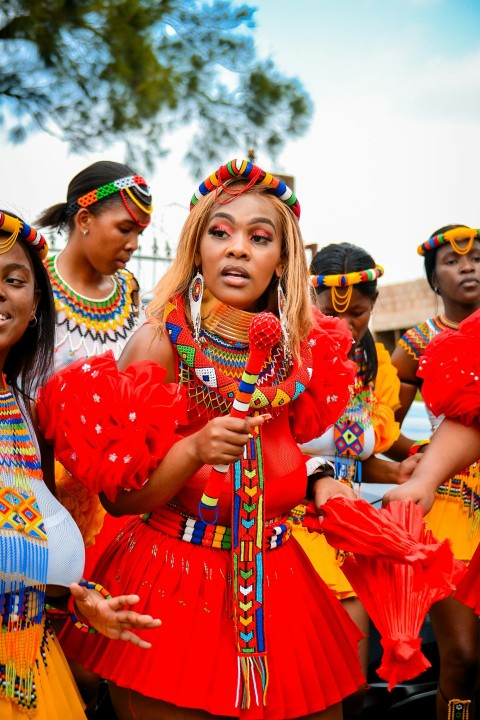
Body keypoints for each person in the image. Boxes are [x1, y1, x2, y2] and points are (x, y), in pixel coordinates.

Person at [59, 158, 366, 720]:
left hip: (281, 585)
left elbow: (285, 458)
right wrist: (193, 449)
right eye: (220, 233)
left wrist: (322, 482)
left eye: (260, 237)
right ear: (197, 248)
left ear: (283, 260)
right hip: (170, 586)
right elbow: (119, 498)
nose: (238, 249)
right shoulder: (160, 343)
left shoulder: (298, 353)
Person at [0, 211, 160, 720]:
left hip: (29, 658)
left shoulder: (23, 407)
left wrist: (73, 600)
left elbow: (27, 538)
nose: (0, 292)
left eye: (14, 280)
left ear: (34, 304)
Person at [291, 242, 403, 718]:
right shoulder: (286, 355)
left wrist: (404, 469)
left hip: (348, 528)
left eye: (359, 312)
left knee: (353, 687)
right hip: (289, 525)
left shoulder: (377, 365)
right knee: (296, 685)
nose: (346, 323)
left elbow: (363, 451)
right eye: (332, 311)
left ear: (374, 304)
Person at [388, 225, 480, 720]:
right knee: (462, 658)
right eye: (451, 260)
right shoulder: (418, 341)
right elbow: (383, 431)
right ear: (433, 279)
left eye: (476, 257)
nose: (468, 266)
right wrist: (423, 457)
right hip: (449, 502)